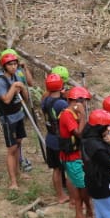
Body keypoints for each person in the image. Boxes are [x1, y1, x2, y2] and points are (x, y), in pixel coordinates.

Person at [0, 50, 30, 189]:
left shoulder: (16, 76)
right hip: (8, 118)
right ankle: (13, 181)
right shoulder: (0, 81)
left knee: (18, 143)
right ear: (4, 66)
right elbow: (6, 100)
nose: (13, 67)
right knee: (11, 148)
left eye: (15, 64)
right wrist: (14, 87)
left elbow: (25, 98)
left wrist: (22, 88)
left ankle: (18, 173)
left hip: (18, 115)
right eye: (10, 65)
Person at [57, 86, 93, 218]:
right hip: (71, 158)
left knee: (79, 187)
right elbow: (79, 133)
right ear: (78, 101)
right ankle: (86, 211)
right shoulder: (67, 115)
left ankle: (81, 214)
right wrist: (83, 116)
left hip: (76, 155)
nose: (85, 105)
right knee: (83, 186)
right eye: (84, 102)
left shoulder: (72, 114)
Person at [40, 73, 69, 203]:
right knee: (68, 168)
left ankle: (60, 195)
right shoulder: (61, 104)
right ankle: (70, 195)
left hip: (50, 138)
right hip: (60, 140)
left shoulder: (45, 100)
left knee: (56, 169)